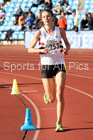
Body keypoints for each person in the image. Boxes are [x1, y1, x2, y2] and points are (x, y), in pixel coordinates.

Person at [28, 9, 70, 132]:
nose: (46, 18)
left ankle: (59, 122)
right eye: (43, 17)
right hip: (46, 66)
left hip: (59, 64)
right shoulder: (39, 33)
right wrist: (40, 50)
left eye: (48, 16)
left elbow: (67, 44)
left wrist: (66, 49)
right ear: (42, 19)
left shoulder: (60, 31)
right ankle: (47, 94)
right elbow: (30, 49)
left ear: (52, 17)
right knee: (51, 99)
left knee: (60, 92)